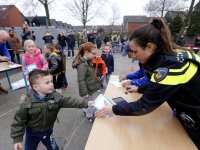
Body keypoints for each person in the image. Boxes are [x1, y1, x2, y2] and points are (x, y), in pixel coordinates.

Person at [95, 18, 200, 149]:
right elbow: (159, 84)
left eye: (135, 51)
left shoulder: (171, 66)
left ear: (149, 47)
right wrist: (139, 88)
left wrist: (112, 109)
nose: (133, 56)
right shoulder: (166, 57)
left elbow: (144, 106)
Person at [10, 69, 94, 150]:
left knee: (53, 148)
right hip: (32, 134)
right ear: (36, 87)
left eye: (51, 81)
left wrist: (86, 103)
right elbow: (19, 121)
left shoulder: (55, 97)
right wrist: (17, 139)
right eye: (47, 83)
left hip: (48, 132)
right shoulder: (27, 103)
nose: (51, 84)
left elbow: (69, 101)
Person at [72, 42, 99, 122]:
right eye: (93, 53)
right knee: (90, 103)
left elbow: (90, 74)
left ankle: (84, 110)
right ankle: (89, 116)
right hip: (87, 89)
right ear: (86, 52)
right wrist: (84, 93)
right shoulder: (82, 65)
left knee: (87, 102)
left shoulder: (89, 60)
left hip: (90, 86)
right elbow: (80, 80)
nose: (95, 55)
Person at [0, 30, 14, 94]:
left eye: (6, 40)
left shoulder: (3, 42)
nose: (4, 42)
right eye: (3, 40)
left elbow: (5, 50)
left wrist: (9, 60)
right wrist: (0, 57)